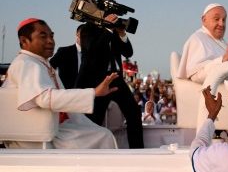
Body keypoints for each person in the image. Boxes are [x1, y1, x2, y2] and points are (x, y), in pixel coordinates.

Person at [2, 18, 117, 149]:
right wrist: (94, 92)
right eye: (43, 36)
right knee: (103, 136)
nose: (50, 41)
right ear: (24, 41)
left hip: (50, 126)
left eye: (51, 36)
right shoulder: (26, 63)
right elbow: (45, 98)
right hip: (36, 134)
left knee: (101, 133)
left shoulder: (40, 63)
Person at [75, 14, 144, 148]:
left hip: (116, 79)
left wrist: (122, 33)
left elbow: (128, 53)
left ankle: (137, 151)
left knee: (134, 112)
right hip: (96, 82)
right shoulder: (87, 29)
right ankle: (90, 154)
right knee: (95, 119)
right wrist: (107, 29)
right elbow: (93, 50)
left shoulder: (112, 30)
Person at [177, 3, 228, 84]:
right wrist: (224, 59)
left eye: (224, 20)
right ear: (204, 20)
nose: (221, 24)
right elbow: (197, 77)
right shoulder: (197, 39)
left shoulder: (222, 42)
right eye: (216, 19)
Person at [49, 24, 84, 88]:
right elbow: (49, 68)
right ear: (77, 34)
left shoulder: (94, 55)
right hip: (67, 93)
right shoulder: (64, 52)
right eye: (83, 34)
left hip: (88, 94)